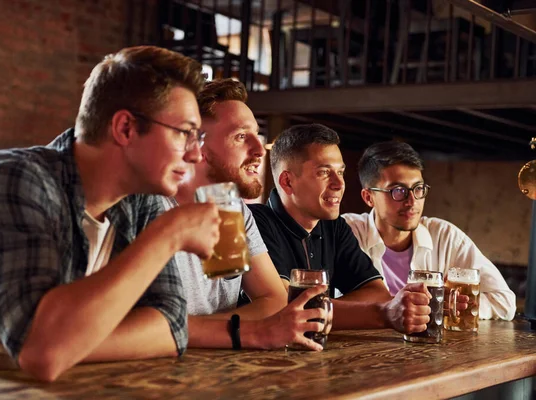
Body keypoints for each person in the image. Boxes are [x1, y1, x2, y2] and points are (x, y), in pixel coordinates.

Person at [0, 46, 222, 381]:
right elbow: (44, 353)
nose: (197, 154)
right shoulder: (11, 179)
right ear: (126, 128)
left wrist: (31, 352)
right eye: (185, 133)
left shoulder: (139, 202)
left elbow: (173, 328)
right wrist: (169, 235)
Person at [169, 79, 329, 351]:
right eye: (241, 136)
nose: (259, 150)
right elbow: (142, 325)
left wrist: (203, 331)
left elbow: (274, 299)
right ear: (198, 145)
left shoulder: (232, 210)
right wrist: (245, 331)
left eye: (257, 134)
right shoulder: (152, 208)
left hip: (219, 370)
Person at [249, 123, 433, 333]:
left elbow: (377, 293)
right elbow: (285, 310)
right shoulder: (256, 223)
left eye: (340, 172)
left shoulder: (334, 226)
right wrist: (381, 313)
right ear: (288, 182)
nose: (339, 184)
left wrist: (318, 309)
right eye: (324, 173)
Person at [341, 141, 516, 320]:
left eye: (418, 189)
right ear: (369, 197)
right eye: (398, 191)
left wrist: (453, 306)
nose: (412, 201)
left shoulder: (444, 236)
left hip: (430, 347)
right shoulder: (345, 232)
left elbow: (505, 303)